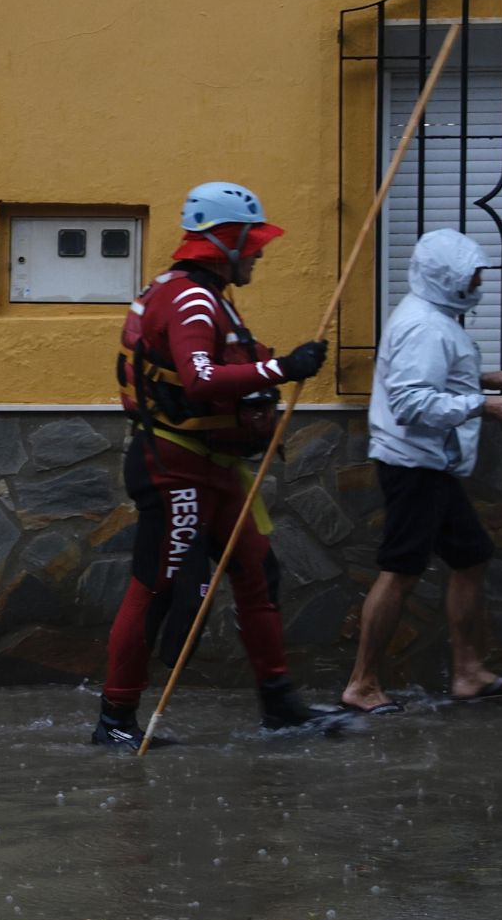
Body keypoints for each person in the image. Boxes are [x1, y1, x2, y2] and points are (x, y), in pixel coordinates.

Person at [94, 181, 339, 750]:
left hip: (216, 468)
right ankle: (116, 720)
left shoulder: (205, 293)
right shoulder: (191, 300)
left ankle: (279, 706)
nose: (260, 252)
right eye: (253, 242)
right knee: (154, 588)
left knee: (258, 572)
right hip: (176, 468)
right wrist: (283, 368)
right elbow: (201, 380)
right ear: (227, 241)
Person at [340, 228, 502, 714]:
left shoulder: (435, 317)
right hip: (414, 464)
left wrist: (482, 378)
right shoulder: (425, 325)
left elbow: (429, 377)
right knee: (401, 571)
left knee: (471, 555)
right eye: (473, 273)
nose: (479, 279)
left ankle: (468, 673)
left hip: (432, 463)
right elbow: (410, 402)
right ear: (449, 277)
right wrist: (482, 404)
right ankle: (362, 684)